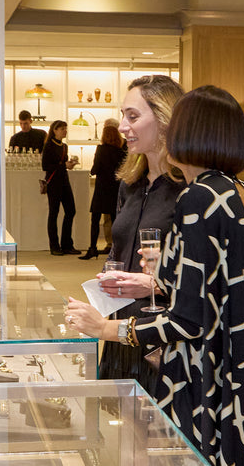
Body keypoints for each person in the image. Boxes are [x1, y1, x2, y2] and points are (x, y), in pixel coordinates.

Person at [65, 85, 244, 465]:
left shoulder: (197, 197)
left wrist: (107, 328)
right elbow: (228, 286)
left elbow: (189, 319)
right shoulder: (241, 192)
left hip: (210, 375)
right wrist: (166, 273)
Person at [86, 75, 185, 393]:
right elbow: (118, 250)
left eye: (133, 116)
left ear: (165, 119)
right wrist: (105, 281)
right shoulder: (129, 184)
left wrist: (156, 284)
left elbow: (203, 278)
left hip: (164, 337)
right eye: (123, 116)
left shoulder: (189, 189)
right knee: (119, 418)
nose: (122, 127)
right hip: (120, 329)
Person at [80, 122, 127, 259]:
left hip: (101, 189)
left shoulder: (101, 149)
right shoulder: (121, 151)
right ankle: (117, 249)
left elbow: (95, 169)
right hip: (115, 188)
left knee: (95, 219)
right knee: (115, 219)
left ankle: (92, 248)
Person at [42, 120, 80, 255]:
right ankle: (54, 246)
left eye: (65, 128)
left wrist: (69, 165)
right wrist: (64, 165)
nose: (65, 131)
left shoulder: (64, 146)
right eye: (62, 129)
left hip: (64, 181)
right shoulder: (48, 146)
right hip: (53, 183)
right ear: (55, 130)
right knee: (54, 213)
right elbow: (45, 166)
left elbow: (61, 165)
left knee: (71, 210)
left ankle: (66, 244)